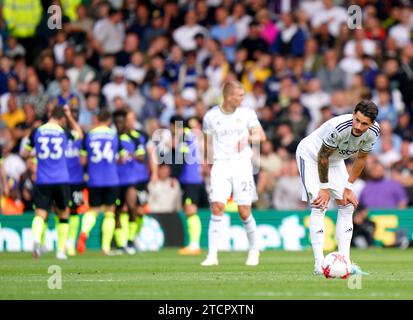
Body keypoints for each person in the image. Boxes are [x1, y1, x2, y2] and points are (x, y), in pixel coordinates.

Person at [296, 100, 380, 275]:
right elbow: (322, 156)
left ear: (371, 124)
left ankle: (345, 262)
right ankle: (319, 265)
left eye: (364, 123)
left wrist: (349, 187)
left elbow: (362, 158)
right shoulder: (340, 127)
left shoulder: (373, 132)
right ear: (353, 114)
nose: (358, 126)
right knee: (319, 204)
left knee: (348, 205)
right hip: (312, 156)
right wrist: (324, 188)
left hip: (335, 160)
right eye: (356, 120)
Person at [201, 80, 266, 266]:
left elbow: (261, 135)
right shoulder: (211, 117)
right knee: (217, 207)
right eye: (240, 96)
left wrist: (248, 137)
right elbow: (208, 143)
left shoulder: (247, 113)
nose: (243, 99)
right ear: (229, 97)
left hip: (241, 165)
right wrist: (207, 163)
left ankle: (254, 250)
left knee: (244, 211)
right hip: (221, 166)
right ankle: (212, 255)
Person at [22, 105, 83, 259]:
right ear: (62, 118)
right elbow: (80, 135)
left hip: (42, 179)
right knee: (63, 214)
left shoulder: (37, 131)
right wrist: (70, 117)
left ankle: (36, 241)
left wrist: (37, 156)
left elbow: (25, 153)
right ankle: (61, 251)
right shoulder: (63, 131)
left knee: (40, 213)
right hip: (61, 179)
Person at [77, 109, 122, 255]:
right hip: (111, 179)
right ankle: (105, 247)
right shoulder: (114, 135)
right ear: (109, 120)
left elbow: (83, 160)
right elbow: (120, 158)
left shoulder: (89, 135)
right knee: (109, 213)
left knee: (93, 211)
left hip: (94, 179)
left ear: (97, 119)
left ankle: (84, 232)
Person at [169, 115, 206, 256]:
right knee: (190, 210)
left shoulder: (184, 136)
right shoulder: (191, 135)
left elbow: (181, 157)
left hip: (190, 178)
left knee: (190, 210)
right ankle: (194, 244)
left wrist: (173, 175)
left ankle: (194, 244)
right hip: (194, 178)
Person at [64, 107, 86, 256]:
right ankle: (62, 243)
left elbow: (84, 160)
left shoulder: (79, 138)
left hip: (76, 180)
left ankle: (70, 242)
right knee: (62, 211)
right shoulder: (60, 135)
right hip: (62, 180)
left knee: (74, 212)